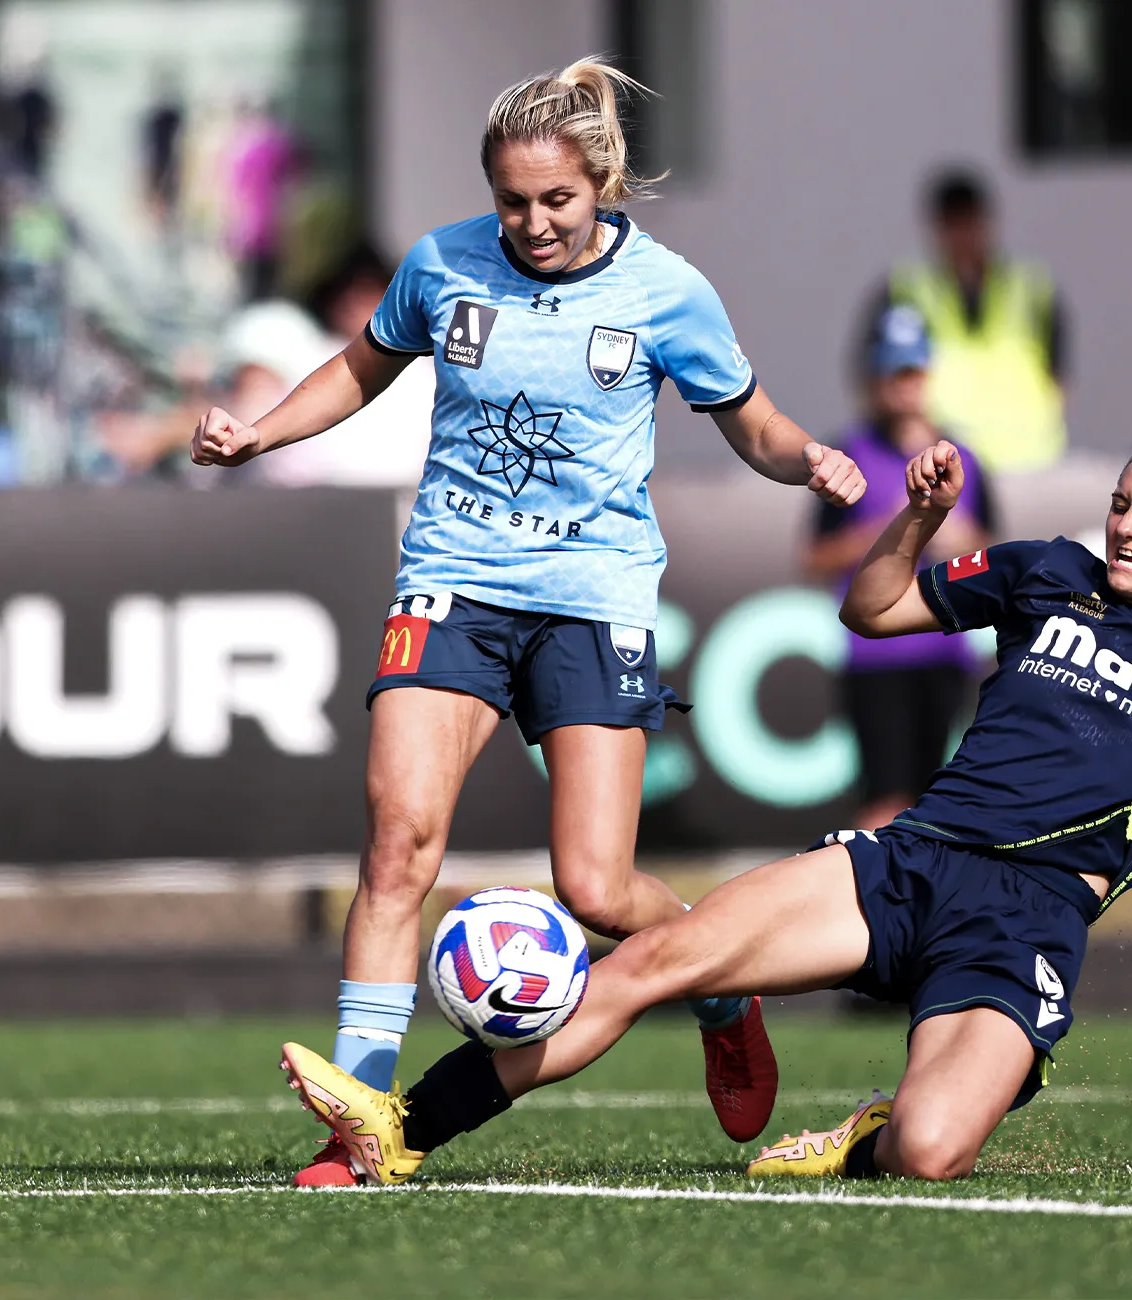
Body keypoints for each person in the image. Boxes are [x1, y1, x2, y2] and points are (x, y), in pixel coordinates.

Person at [278, 439, 1132, 1186]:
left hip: (1026, 926)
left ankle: (866, 1135)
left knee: (932, 1153)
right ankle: (404, 1127)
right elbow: (872, 611)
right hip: (905, 863)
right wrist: (915, 515)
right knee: (650, 960)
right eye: (1119, 502)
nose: (1124, 526)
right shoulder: (1044, 570)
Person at [190, 58, 866, 1186]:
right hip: (452, 576)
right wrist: (261, 433)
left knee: (598, 891)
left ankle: (720, 979)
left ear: (599, 183)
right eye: (513, 200)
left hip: (592, 599)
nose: (534, 222)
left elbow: (750, 421)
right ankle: (359, 1125)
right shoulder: (439, 265)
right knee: (398, 835)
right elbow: (362, 368)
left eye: (557, 200)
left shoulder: (665, 291)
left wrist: (810, 463)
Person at [806, 304, 994, 829]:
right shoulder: (849, 454)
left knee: (935, 799)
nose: (903, 385)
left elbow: (991, 550)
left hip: (943, 650)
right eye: (893, 372)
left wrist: (954, 536)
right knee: (884, 801)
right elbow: (815, 556)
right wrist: (893, 529)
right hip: (874, 655)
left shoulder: (965, 460)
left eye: (912, 371)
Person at [869, 169, 1068, 471]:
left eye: (968, 222)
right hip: (948, 462)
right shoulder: (907, 288)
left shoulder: (1032, 286)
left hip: (1030, 461)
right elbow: (877, 378)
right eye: (953, 224)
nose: (962, 235)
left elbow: (1059, 375)